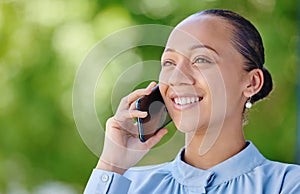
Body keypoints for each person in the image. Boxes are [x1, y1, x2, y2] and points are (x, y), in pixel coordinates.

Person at [83, 9, 300, 193]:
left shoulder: (287, 185)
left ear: (252, 82)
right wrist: (112, 165)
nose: (176, 78)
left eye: (201, 59)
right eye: (169, 62)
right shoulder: (129, 186)